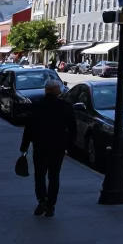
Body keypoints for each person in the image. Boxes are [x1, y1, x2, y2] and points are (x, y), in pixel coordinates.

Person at [20, 80, 76, 218]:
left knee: (39, 175)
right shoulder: (65, 106)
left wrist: (24, 146)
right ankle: (51, 205)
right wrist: (68, 145)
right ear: (57, 91)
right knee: (54, 175)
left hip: (40, 145)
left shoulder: (37, 106)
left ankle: (42, 200)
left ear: (46, 90)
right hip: (57, 147)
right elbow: (73, 129)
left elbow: (29, 128)